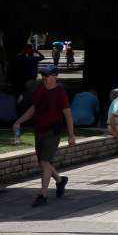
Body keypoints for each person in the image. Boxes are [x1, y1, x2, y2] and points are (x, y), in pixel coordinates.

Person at [13, 66, 76, 207]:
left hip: (53, 131)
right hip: (39, 130)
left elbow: (67, 114)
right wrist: (19, 121)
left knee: (45, 162)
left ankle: (43, 194)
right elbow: (33, 109)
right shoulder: (40, 90)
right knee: (43, 161)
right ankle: (60, 181)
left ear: (55, 76)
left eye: (47, 76)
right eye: (43, 76)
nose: (45, 78)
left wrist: (71, 135)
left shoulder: (60, 93)